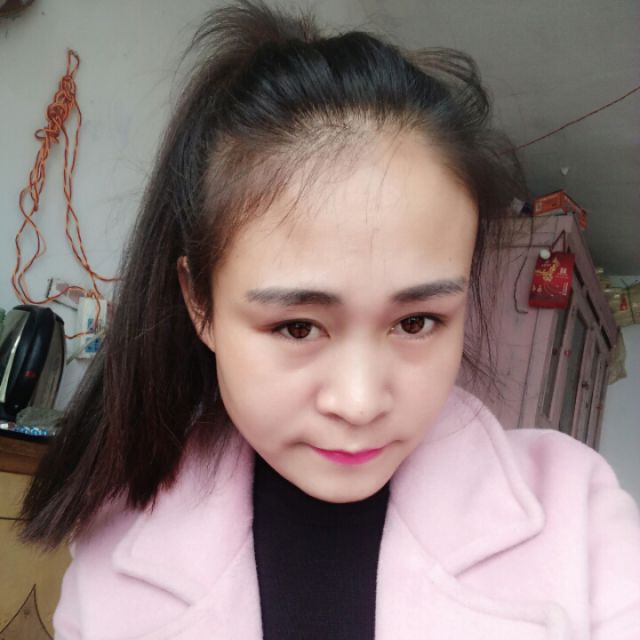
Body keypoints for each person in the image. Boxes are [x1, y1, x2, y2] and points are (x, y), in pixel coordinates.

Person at [20, 1, 640, 638]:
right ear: (199, 303)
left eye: (417, 322)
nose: (360, 402)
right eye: (298, 327)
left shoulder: (581, 519)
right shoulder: (113, 553)